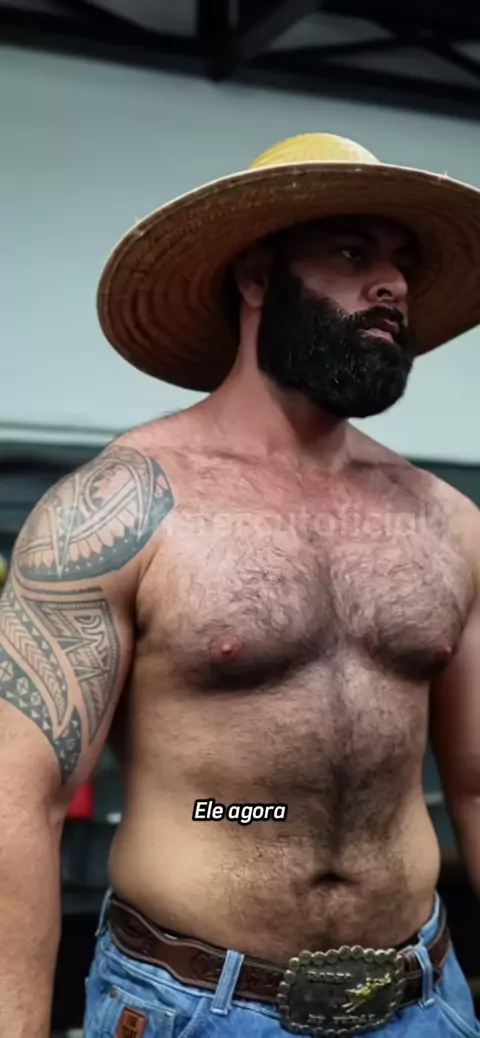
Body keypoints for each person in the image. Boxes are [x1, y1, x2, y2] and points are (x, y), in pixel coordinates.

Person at [1, 133, 480, 1038]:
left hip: (423, 999)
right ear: (256, 278)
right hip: (196, 1008)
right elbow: (16, 804)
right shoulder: (118, 509)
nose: (392, 283)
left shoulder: (447, 522)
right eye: (353, 254)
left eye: (402, 264)